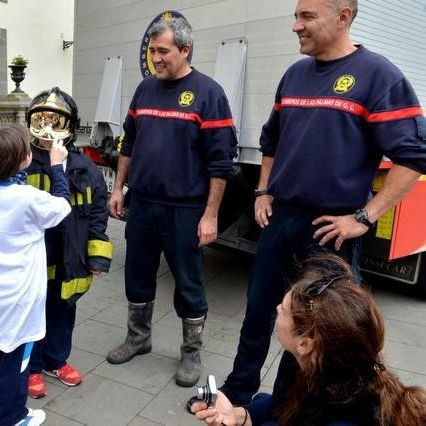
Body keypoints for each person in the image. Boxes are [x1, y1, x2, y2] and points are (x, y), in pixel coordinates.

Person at [220, 0, 426, 405]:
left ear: (343, 16)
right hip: (281, 218)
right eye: (296, 16)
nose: (296, 26)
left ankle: (286, 406)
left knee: (315, 329)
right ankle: (237, 391)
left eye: (307, 16)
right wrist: (263, 190)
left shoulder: (378, 76)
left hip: (330, 230)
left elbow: (413, 157)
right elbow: (271, 141)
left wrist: (365, 218)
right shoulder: (295, 75)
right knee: (259, 310)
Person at [106, 17, 238, 387]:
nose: (155, 58)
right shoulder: (145, 90)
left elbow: (220, 164)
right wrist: (118, 188)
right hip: (144, 204)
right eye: (151, 51)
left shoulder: (209, 94)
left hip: (185, 209)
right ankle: (138, 337)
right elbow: (128, 144)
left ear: (185, 50)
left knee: (189, 282)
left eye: (163, 51)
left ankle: (191, 352)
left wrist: (210, 215)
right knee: (137, 275)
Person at [191, 254, 426, 425]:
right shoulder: (330, 367)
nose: (277, 309)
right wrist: (240, 416)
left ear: (305, 343)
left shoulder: (342, 416)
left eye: (283, 310)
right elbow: (282, 404)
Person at [0, 124, 71, 426]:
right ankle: (13, 416)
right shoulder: (29, 198)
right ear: (25, 159)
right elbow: (62, 206)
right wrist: (58, 165)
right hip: (20, 300)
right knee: (15, 359)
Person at [24, 87, 113, 399]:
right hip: (32, 260)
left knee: (64, 310)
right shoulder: (20, 163)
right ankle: (31, 367)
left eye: (57, 121)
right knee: (32, 314)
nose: (48, 129)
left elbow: (98, 213)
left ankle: (56, 361)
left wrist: (97, 256)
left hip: (70, 257)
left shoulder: (83, 168)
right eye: (41, 119)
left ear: (71, 128)